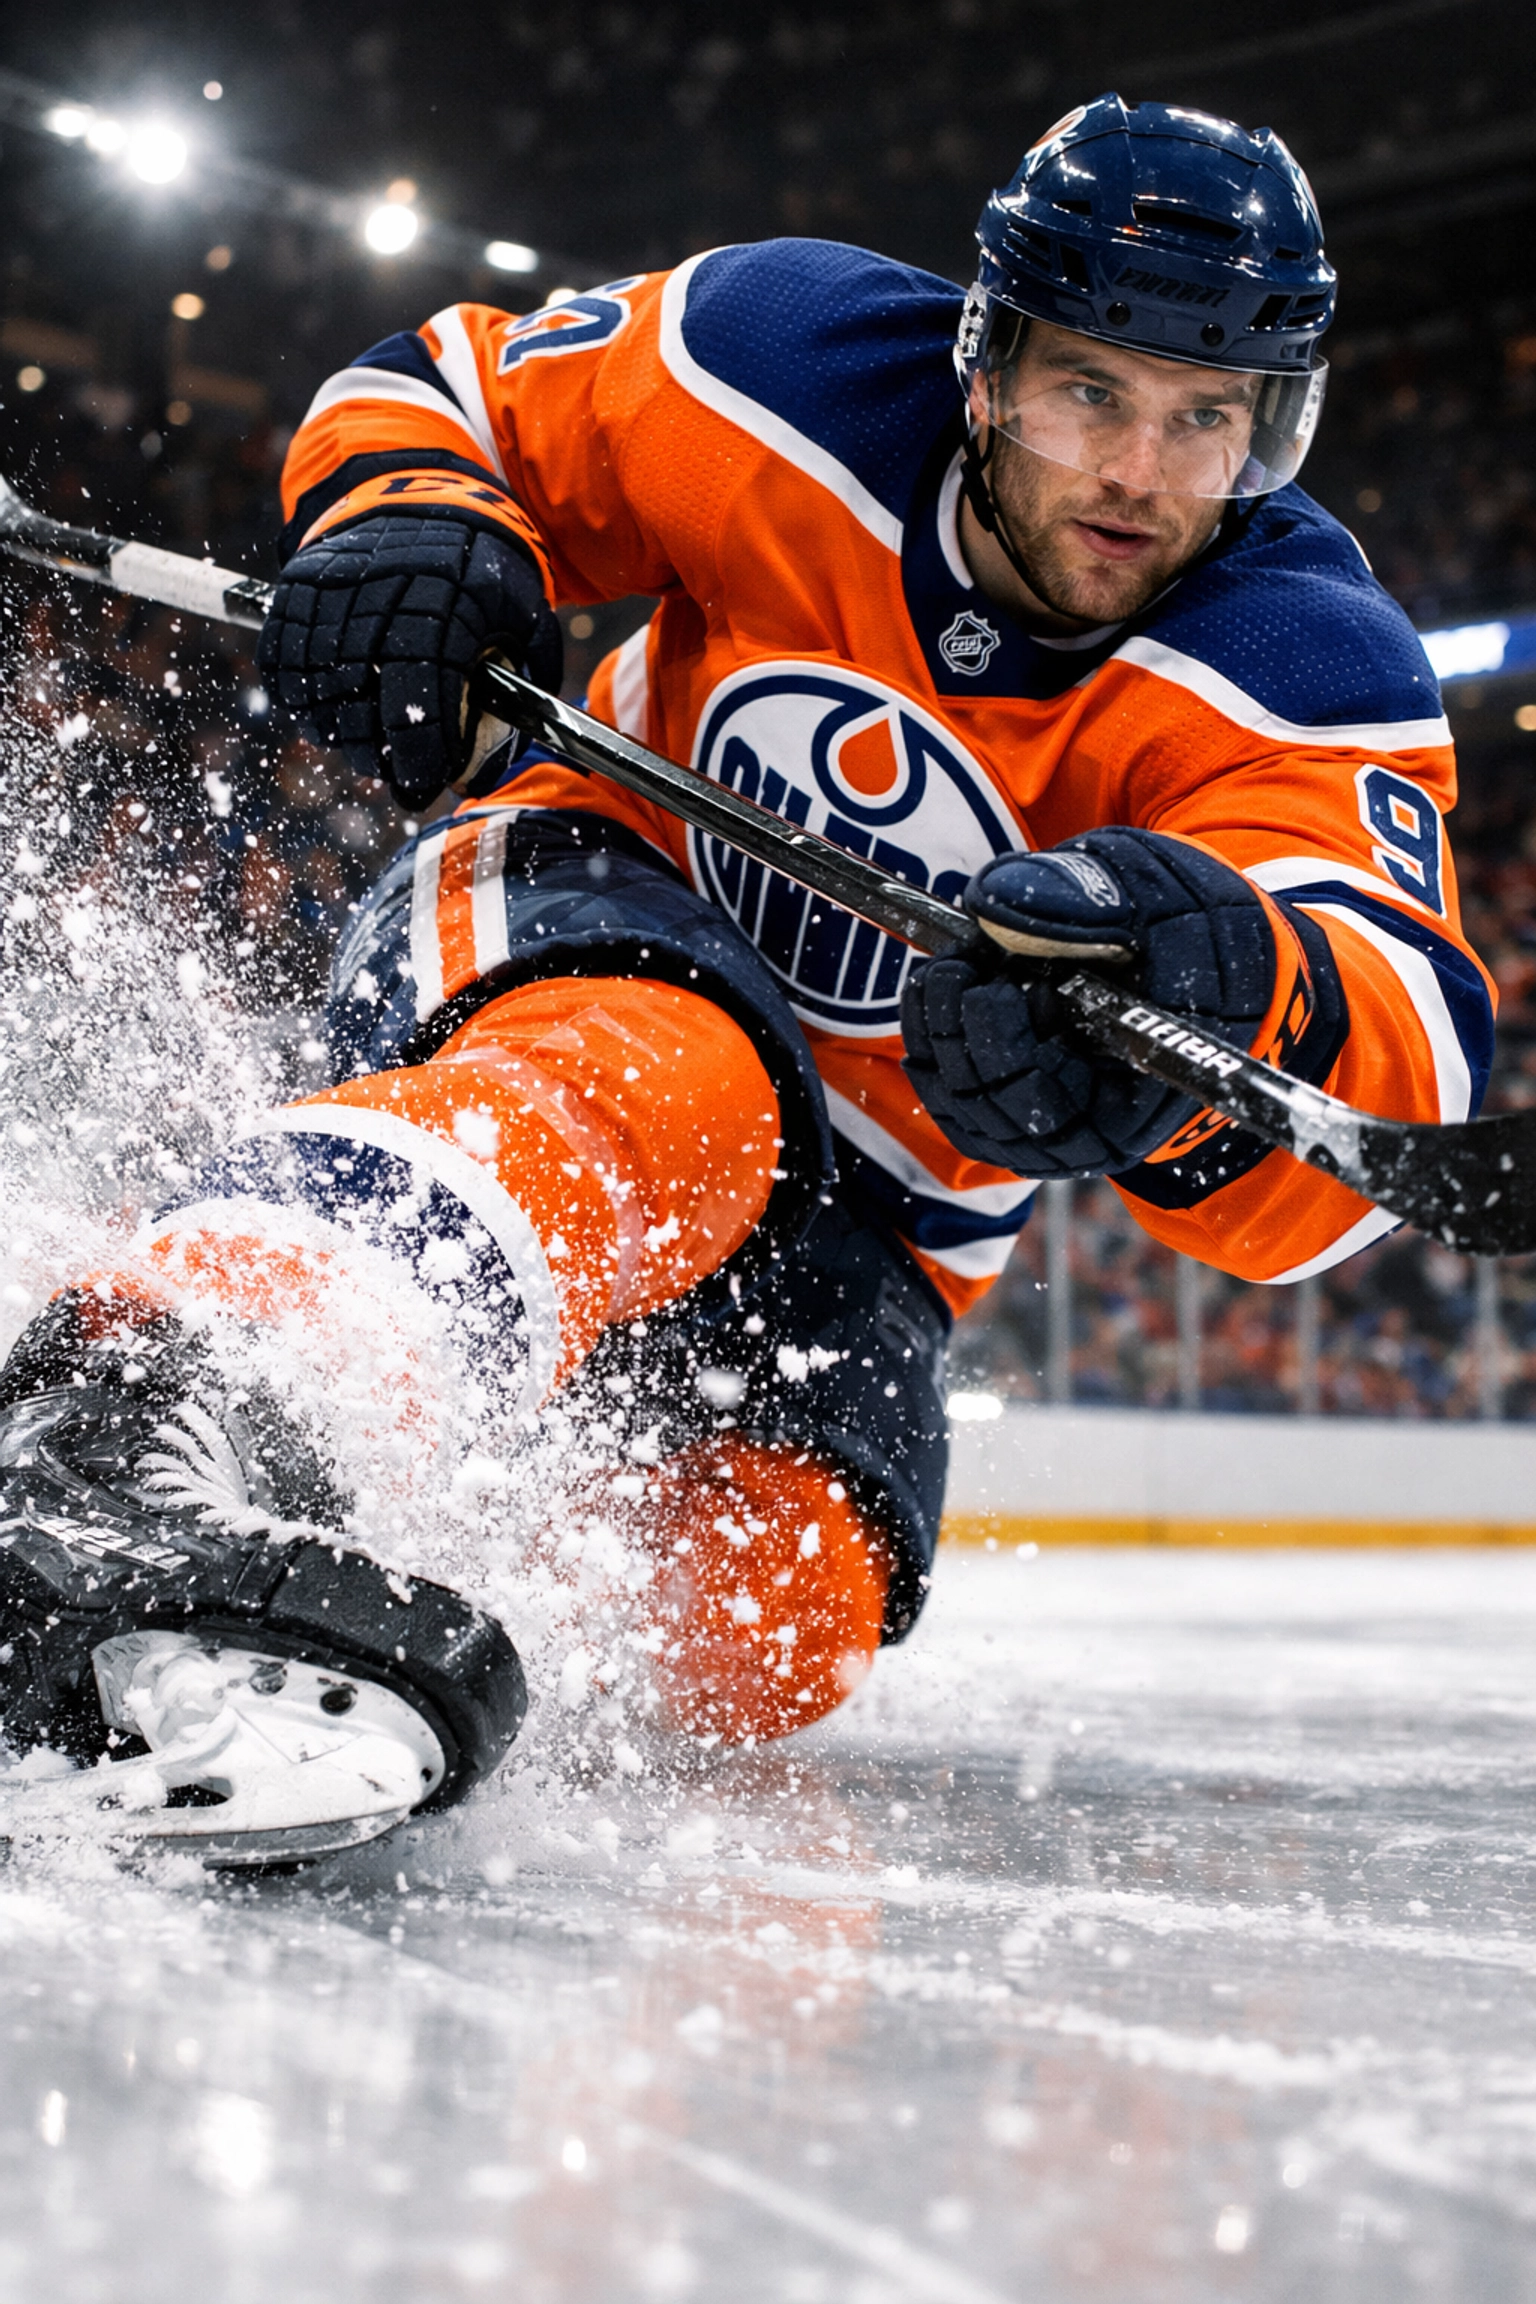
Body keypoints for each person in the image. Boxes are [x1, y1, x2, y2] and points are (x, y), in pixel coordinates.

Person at [0, 96, 1494, 1861]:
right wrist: (414, 528)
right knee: (684, 1087)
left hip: (878, 1205)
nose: (1141, 476)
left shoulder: (1309, 665)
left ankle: (310, 1611)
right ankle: (123, 1418)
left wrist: (1216, 991)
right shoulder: (779, 355)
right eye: (1094, 389)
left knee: (799, 1587)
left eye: (1206, 419)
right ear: (990, 362)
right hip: (584, 926)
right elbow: (456, 391)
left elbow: (1384, 1080)